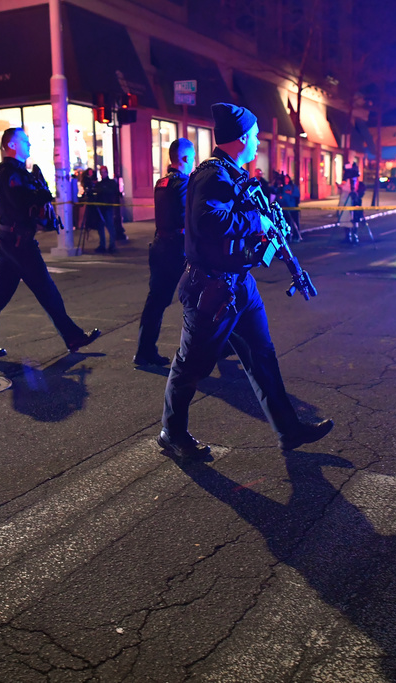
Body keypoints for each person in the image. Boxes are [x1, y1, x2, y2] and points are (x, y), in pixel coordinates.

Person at [159, 103, 333, 460]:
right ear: (239, 139)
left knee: (262, 356)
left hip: (238, 285)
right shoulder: (212, 174)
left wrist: (266, 226)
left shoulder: (232, 173)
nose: (257, 142)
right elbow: (207, 219)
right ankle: (172, 433)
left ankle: (289, 430)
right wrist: (257, 222)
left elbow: (235, 222)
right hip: (210, 289)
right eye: (254, 136)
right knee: (191, 366)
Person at [0, 128, 100, 357]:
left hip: (12, 240)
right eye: (25, 141)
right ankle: (73, 336)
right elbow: (24, 201)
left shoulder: (18, 172)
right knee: (47, 290)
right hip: (18, 241)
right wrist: (41, 191)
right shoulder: (7, 172)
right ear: (12, 145)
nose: (29, 144)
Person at [134, 138, 195, 367]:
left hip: (160, 246)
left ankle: (144, 351)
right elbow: (186, 217)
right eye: (193, 157)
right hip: (177, 249)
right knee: (201, 297)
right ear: (186, 158)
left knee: (156, 302)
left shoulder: (161, 182)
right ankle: (208, 351)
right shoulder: (184, 184)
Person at [276, 172, 302, 241]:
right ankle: (288, 237)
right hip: (284, 209)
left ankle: (296, 237)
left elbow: (297, 196)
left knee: (295, 224)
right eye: (284, 179)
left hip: (293, 208)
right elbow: (276, 194)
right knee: (286, 224)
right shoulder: (281, 187)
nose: (285, 180)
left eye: (286, 178)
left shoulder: (293, 187)